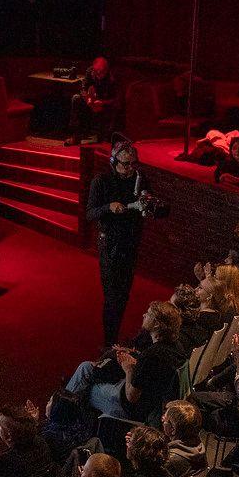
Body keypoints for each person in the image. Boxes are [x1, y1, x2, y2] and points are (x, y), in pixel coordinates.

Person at [86, 141, 152, 345]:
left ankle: (114, 337)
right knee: (112, 296)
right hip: (110, 244)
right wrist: (108, 207)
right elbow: (90, 213)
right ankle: (109, 342)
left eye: (132, 164)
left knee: (123, 294)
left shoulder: (140, 180)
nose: (129, 168)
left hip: (130, 242)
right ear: (114, 162)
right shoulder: (102, 181)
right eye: (125, 164)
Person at [67, 55, 118, 144]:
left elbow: (115, 98)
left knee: (112, 110)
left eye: (101, 72)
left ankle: (104, 138)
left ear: (106, 70)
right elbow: (83, 89)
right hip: (92, 101)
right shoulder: (90, 71)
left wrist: (102, 102)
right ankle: (76, 136)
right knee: (76, 98)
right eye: (96, 72)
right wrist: (88, 99)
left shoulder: (111, 78)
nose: (98, 74)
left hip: (105, 103)